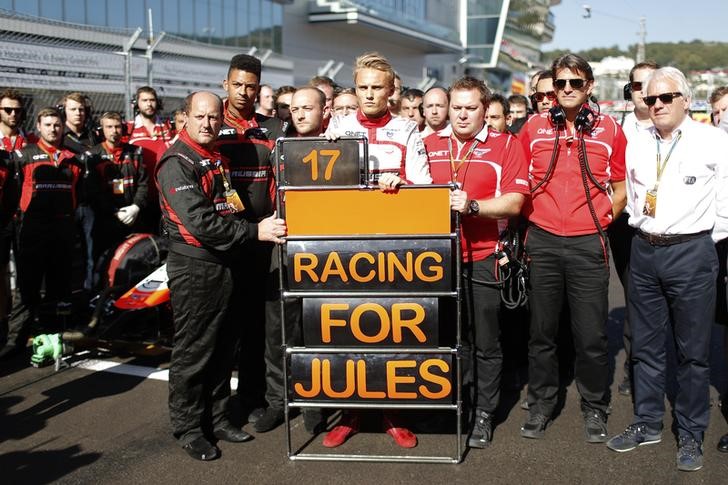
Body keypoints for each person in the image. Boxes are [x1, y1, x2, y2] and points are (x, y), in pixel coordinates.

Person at [606, 67, 728, 472]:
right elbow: (635, 194)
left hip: (691, 252)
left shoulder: (713, 141)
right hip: (644, 250)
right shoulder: (638, 143)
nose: (655, 104)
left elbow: (725, 207)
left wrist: (699, 245)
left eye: (665, 98)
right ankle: (647, 422)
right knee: (644, 345)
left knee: (693, 353)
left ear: (685, 99)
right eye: (649, 98)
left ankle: (691, 432)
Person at [157, 91, 286, 461]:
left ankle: (217, 418)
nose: (207, 123)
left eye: (214, 118)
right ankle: (188, 428)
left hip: (226, 263)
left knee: (223, 347)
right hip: (195, 266)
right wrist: (253, 232)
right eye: (200, 117)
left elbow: (229, 207)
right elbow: (200, 223)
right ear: (185, 117)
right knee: (194, 351)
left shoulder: (215, 157)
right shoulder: (176, 162)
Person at [323, 51, 432, 449]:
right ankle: (349, 414)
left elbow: (424, 189)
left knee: (394, 336)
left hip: (394, 250)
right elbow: (318, 189)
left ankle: (393, 414)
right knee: (345, 336)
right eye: (363, 87)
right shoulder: (335, 127)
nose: (369, 95)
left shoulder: (407, 130)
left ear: (391, 92)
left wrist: (399, 183)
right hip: (343, 249)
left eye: (376, 88)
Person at [519, 54, 627, 443]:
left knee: (591, 336)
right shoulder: (532, 127)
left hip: (587, 242)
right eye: (560, 83)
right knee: (542, 333)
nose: (566, 90)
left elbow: (621, 188)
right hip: (544, 240)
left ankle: (595, 407)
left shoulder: (610, 128)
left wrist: (602, 221)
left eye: (574, 83)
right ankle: (541, 404)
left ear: (589, 87)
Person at [425, 76, 528, 448]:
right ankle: (459, 404)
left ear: (485, 110)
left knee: (486, 341)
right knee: (454, 337)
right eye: (457, 108)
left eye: (471, 108)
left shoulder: (506, 144)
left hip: (486, 255)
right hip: (439, 257)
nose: (463, 115)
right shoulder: (427, 144)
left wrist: (472, 206)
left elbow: (515, 202)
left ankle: (485, 412)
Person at [216, 54, 289, 432]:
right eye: (238, 84)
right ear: (225, 84)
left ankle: (274, 400)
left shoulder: (275, 127)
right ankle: (241, 399)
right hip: (229, 240)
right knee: (233, 326)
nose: (244, 92)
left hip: (271, 238)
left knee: (269, 326)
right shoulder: (211, 124)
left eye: (251, 86)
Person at [1, 108, 82, 358]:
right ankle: (15, 342)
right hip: (32, 229)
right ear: (38, 127)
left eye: (57, 125)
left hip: (63, 229)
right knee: (27, 289)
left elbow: (77, 194)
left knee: (59, 288)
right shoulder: (23, 156)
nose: (53, 129)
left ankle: (53, 340)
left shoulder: (73, 158)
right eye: (48, 124)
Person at [612, 61, 660, 398]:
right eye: (638, 86)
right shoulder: (619, 130)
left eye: (650, 84)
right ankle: (635, 367)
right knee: (635, 300)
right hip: (628, 227)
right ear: (630, 91)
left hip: (671, 228)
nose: (644, 93)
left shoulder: (676, 129)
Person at [86, 112, 148, 274]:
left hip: (133, 218)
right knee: (103, 263)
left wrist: (136, 207)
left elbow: (143, 183)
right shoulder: (93, 155)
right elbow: (94, 191)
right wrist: (114, 212)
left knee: (135, 261)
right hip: (106, 220)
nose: (114, 130)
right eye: (109, 127)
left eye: (117, 126)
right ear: (102, 130)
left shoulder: (136, 152)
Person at [0, 88, 35, 348]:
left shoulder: (31, 141)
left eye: (17, 110)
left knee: (27, 273)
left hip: (26, 217)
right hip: (1, 218)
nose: (13, 115)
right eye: (7, 110)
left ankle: (21, 325)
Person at [59, 92, 98, 293]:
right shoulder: (57, 135)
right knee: (67, 255)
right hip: (67, 205)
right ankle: (67, 297)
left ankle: (89, 297)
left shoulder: (93, 136)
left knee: (91, 255)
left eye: (81, 109)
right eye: (73, 109)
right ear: (63, 111)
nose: (78, 113)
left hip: (90, 205)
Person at [127, 86, 173, 232]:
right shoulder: (128, 129)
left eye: (152, 100)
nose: (149, 104)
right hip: (139, 197)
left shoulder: (168, 128)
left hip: (164, 195)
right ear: (136, 103)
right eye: (144, 100)